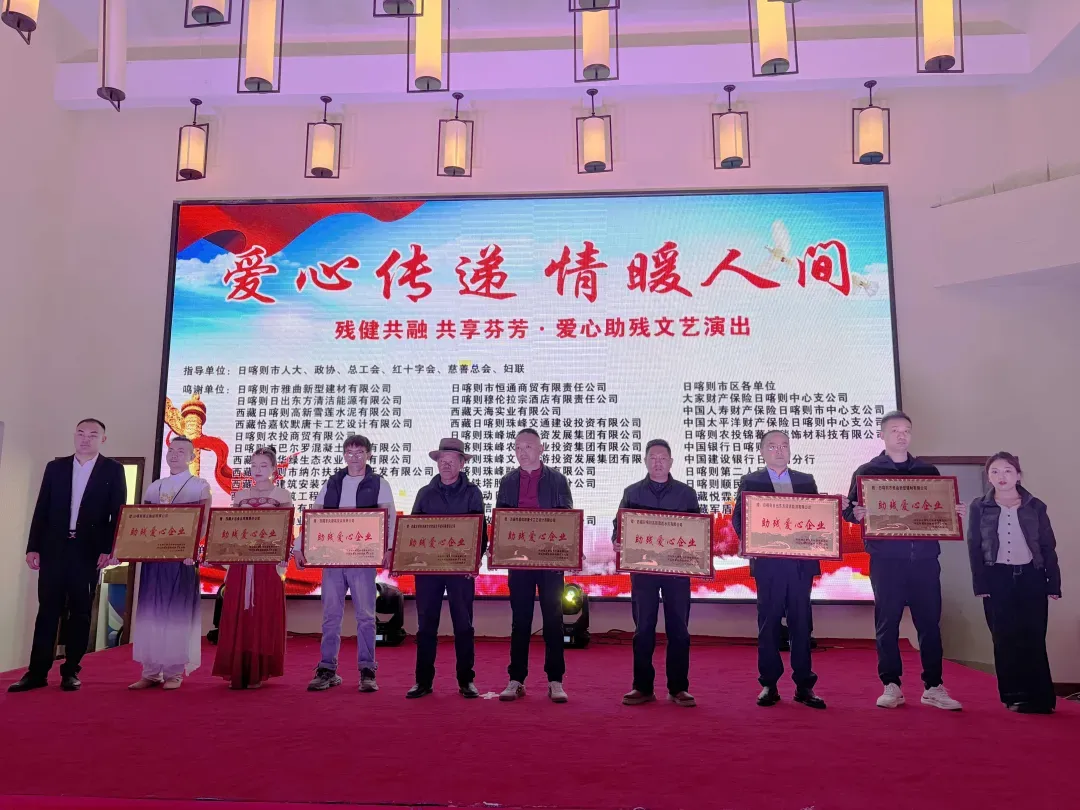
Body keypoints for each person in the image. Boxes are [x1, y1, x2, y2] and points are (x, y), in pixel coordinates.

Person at [845, 410, 963, 711]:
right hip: (887, 560)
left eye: (906, 430)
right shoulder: (867, 471)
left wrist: (954, 513)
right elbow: (850, 512)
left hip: (924, 559)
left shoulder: (927, 470)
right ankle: (891, 685)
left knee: (930, 624)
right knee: (887, 623)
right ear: (882, 435)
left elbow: (940, 508)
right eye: (895, 430)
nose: (901, 435)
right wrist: (854, 513)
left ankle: (933, 686)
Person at [9, 419, 127, 693]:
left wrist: (111, 549)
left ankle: (71, 670)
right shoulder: (56, 467)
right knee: (47, 610)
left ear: (103, 440)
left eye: (93, 435)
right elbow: (42, 508)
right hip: (54, 549)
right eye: (81, 433)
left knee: (81, 611)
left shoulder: (112, 470)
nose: (85, 439)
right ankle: (37, 672)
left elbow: (118, 512)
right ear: (74, 436)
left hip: (87, 551)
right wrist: (33, 546)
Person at [731, 430, 827, 710]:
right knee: (769, 624)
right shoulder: (752, 481)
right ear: (762, 452)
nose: (780, 450)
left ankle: (804, 686)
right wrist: (747, 539)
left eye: (784, 445)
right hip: (769, 564)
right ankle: (769, 684)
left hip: (800, 565)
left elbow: (817, 516)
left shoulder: (805, 480)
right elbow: (739, 518)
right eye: (772, 446)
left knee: (801, 624)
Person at [298, 434, 397, 693]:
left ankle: (367, 670)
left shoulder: (379, 483)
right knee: (331, 616)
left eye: (360, 452)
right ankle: (327, 669)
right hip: (332, 559)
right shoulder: (332, 482)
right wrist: (299, 547)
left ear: (369, 455)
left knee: (366, 616)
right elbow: (314, 517)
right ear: (344, 455)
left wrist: (389, 548)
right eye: (350, 452)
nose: (354, 457)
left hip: (363, 559)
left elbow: (389, 519)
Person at [967, 452, 1061, 714]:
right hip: (997, 578)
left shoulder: (1035, 506)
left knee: (1033, 636)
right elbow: (974, 546)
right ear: (988, 477)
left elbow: (1048, 545)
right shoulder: (979, 507)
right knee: (1004, 638)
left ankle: (1041, 698)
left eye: (1008, 470)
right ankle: (1013, 695)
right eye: (995, 472)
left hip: (1032, 576)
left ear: (1018, 475)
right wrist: (980, 584)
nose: (1002, 477)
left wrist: (1053, 583)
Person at [613, 439, 700, 708]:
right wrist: (617, 539)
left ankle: (678, 688)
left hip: (677, 572)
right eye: (653, 457)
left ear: (671, 462)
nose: (658, 462)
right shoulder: (632, 492)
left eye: (663, 458)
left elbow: (697, 531)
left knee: (679, 630)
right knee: (644, 629)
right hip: (643, 572)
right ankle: (642, 687)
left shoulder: (686, 494)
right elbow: (619, 525)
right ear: (645, 461)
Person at [496, 428, 574, 704]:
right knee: (521, 620)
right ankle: (516, 679)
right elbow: (502, 520)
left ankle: (555, 680)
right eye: (518, 447)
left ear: (541, 449)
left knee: (553, 619)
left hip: (550, 561)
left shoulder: (558, 480)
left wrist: (569, 551)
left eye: (528, 446)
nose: (522, 452)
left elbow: (567, 519)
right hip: (519, 562)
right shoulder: (507, 482)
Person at [128, 437, 212, 690]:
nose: (174, 454)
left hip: (181, 559)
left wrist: (192, 549)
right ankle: (151, 671)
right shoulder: (155, 487)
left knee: (177, 612)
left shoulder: (199, 486)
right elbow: (143, 521)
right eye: (171, 450)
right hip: (155, 559)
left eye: (181, 451)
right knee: (151, 610)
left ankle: (174, 672)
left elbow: (204, 521)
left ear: (192, 457)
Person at [406, 437, 487, 700]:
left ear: (462, 463)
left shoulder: (473, 493)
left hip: (460, 570)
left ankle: (466, 680)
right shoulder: (424, 493)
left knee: (463, 625)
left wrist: (474, 561)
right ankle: (423, 681)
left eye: (452, 460)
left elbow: (480, 531)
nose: (446, 464)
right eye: (442, 460)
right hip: (428, 571)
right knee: (426, 625)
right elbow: (412, 532)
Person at [212, 447, 291, 689]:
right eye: (254, 465)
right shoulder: (240, 495)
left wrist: (282, 555)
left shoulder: (282, 495)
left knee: (262, 611)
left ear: (274, 469)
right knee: (238, 611)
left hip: (266, 564)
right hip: (241, 562)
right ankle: (238, 667)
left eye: (263, 465)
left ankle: (258, 669)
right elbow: (230, 529)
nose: (258, 470)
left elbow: (286, 530)